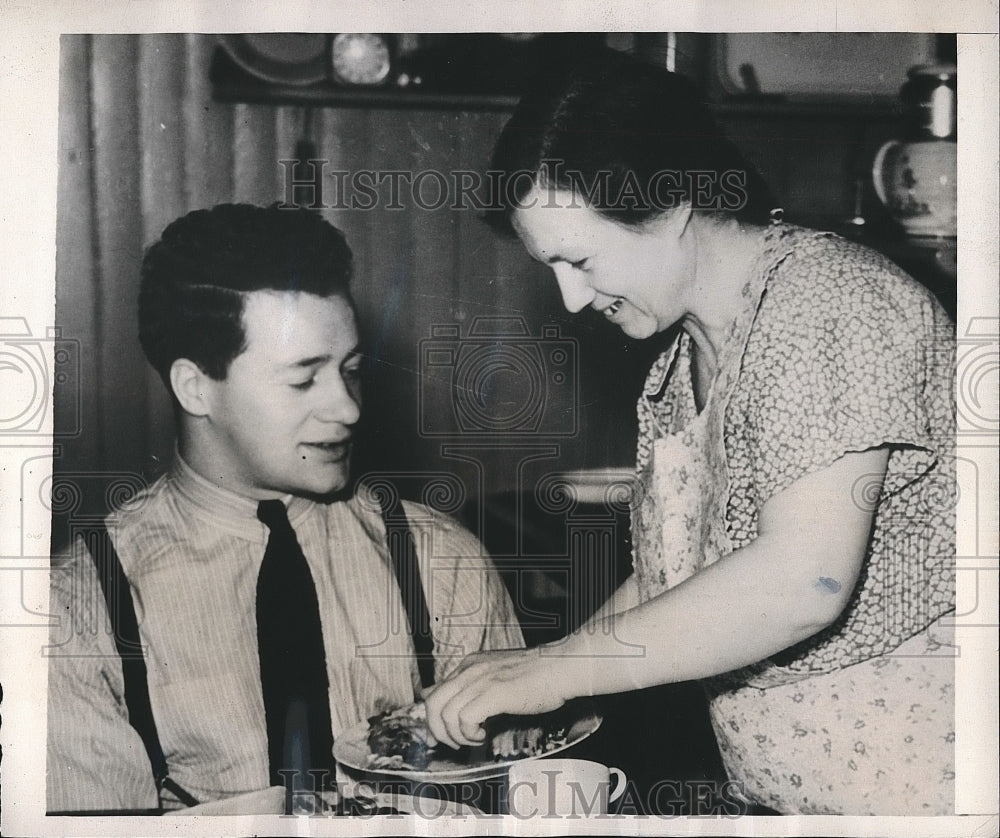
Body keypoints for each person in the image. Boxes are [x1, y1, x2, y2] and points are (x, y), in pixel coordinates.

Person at [423, 48, 956, 815]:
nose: (570, 300)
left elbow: (805, 580)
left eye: (580, 259)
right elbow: (681, 576)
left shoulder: (829, 307)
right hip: (790, 802)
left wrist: (563, 669)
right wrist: (544, 679)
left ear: (671, 206)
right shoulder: (682, 361)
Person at [46, 203, 523, 813]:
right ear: (194, 386)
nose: (347, 409)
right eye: (303, 380)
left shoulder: (440, 561)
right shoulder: (76, 612)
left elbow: (511, 798)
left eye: (350, 370)